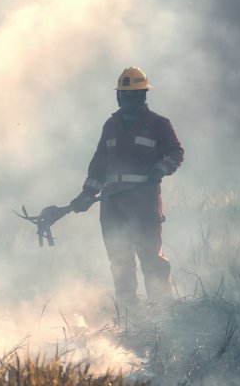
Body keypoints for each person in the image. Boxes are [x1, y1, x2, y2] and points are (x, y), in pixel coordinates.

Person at [69, 67, 184, 307]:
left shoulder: (158, 124)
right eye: (123, 95)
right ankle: (129, 312)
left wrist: (159, 170)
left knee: (150, 257)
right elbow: (100, 163)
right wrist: (87, 193)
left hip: (143, 200)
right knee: (119, 259)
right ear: (118, 96)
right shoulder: (111, 125)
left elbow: (176, 152)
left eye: (132, 96)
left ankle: (161, 312)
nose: (126, 100)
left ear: (143, 96)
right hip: (113, 202)